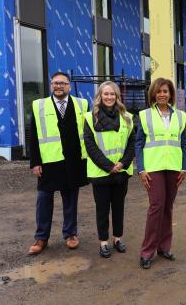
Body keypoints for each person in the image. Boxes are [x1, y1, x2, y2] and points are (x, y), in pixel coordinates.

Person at [28, 71, 88, 255]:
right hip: (49, 162)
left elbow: (88, 131)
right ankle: (41, 238)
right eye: (55, 83)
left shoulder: (81, 103)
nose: (59, 86)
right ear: (51, 85)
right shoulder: (39, 105)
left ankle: (70, 234)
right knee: (44, 200)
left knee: (70, 200)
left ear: (69, 86)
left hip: (74, 160)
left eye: (62, 83)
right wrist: (35, 162)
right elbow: (34, 136)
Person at [136, 78, 186, 269]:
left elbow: (182, 143)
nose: (162, 95)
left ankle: (164, 247)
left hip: (174, 169)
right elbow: (139, 143)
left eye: (165, 91)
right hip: (153, 168)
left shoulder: (181, 116)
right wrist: (141, 169)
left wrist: (185, 167)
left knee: (168, 207)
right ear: (153, 94)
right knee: (156, 206)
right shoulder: (145, 115)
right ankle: (147, 251)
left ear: (170, 94)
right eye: (158, 91)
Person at [83, 81, 135, 258]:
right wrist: (108, 166)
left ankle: (118, 239)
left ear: (117, 96)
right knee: (102, 209)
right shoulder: (90, 118)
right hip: (101, 173)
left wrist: (122, 164)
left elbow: (132, 144)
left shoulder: (127, 117)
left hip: (121, 172)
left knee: (119, 207)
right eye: (106, 94)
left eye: (112, 94)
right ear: (100, 96)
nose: (109, 97)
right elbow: (90, 146)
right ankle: (104, 242)